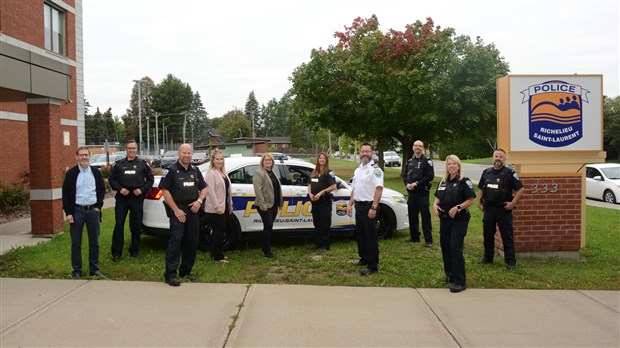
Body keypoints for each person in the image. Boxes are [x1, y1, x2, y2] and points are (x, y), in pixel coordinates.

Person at [159, 144, 207, 286]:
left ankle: (186, 270)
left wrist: (199, 201)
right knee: (176, 240)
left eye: (189, 153)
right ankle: (170, 274)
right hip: (178, 211)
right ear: (179, 153)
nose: (186, 155)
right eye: (184, 153)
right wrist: (176, 210)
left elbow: (204, 189)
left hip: (193, 210)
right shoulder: (171, 171)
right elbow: (165, 191)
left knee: (192, 241)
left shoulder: (195, 170)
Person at [432, 155, 476, 293]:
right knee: (446, 247)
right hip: (445, 219)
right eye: (449, 164)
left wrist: (457, 208)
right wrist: (434, 205)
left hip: (459, 219)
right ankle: (450, 275)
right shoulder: (443, 181)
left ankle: (460, 281)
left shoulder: (464, 181)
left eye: (454, 164)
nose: (451, 166)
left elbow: (470, 200)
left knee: (455, 247)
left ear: (458, 166)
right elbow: (437, 198)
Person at [62, 146, 107, 279]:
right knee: (76, 242)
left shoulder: (95, 172)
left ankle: (94, 269)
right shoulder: (71, 174)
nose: (84, 158)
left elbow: (101, 190)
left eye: (86, 155)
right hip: (77, 212)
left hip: (93, 211)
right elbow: (66, 194)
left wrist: (98, 207)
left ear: (90, 156)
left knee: (94, 242)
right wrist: (68, 213)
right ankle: (77, 270)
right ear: (77, 157)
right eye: (81, 155)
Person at [477, 148, 524, 270]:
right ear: (493, 158)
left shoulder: (510, 173)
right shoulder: (486, 172)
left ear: (504, 159)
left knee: (506, 235)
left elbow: (521, 189)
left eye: (501, 157)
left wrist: (513, 203)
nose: (498, 159)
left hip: (503, 209)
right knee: (487, 234)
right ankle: (487, 258)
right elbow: (481, 188)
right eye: (496, 156)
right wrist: (479, 202)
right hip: (489, 209)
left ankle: (510, 261)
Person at [108, 140, 154, 261]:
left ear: (136, 150)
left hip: (136, 198)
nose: (131, 150)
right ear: (125, 149)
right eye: (129, 148)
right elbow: (112, 179)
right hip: (122, 199)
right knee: (119, 224)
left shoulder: (143, 164)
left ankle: (134, 249)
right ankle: (116, 252)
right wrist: (120, 189)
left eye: (134, 148)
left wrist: (142, 190)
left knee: (136, 225)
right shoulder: (118, 164)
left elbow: (150, 179)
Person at [347, 142, 383, 276]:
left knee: (370, 236)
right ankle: (364, 258)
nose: (365, 154)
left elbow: (379, 189)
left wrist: (374, 207)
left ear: (372, 153)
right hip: (359, 206)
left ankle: (373, 264)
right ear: (359, 152)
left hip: (369, 206)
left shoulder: (376, 170)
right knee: (361, 234)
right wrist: (350, 204)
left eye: (367, 151)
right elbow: (355, 189)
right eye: (362, 151)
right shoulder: (358, 170)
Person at [402, 140, 435, 246]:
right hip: (411, 193)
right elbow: (404, 175)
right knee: (412, 215)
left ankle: (428, 240)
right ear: (413, 148)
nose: (418, 147)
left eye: (420, 146)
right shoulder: (409, 161)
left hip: (422, 193)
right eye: (416, 146)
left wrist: (416, 183)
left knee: (425, 216)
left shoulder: (427, 161)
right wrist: (407, 184)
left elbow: (430, 176)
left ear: (423, 148)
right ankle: (414, 236)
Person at [202, 150, 233, 262]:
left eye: (221, 159)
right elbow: (210, 192)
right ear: (213, 161)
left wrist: (230, 205)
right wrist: (217, 207)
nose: (219, 161)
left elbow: (227, 192)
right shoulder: (211, 174)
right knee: (218, 232)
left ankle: (218, 253)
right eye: (217, 159)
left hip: (224, 207)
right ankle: (216, 256)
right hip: (216, 209)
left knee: (221, 231)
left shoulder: (223, 173)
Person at [252, 153, 283, 258]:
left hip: (273, 204)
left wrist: (280, 203)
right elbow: (258, 190)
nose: (268, 162)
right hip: (264, 205)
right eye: (266, 160)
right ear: (262, 162)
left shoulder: (272, 172)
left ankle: (265, 248)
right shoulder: (259, 173)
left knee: (269, 227)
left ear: (272, 162)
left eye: (270, 160)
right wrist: (262, 204)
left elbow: (277, 189)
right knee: (268, 226)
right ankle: (267, 252)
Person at [307, 152, 337, 252]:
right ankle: (318, 243)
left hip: (324, 202)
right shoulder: (313, 172)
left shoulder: (329, 172)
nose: (322, 160)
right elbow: (309, 184)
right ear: (318, 160)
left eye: (324, 158)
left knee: (325, 224)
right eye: (320, 158)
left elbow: (333, 186)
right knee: (317, 223)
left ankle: (325, 245)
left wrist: (322, 192)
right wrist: (310, 193)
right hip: (314, 202)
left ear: (326, 160)